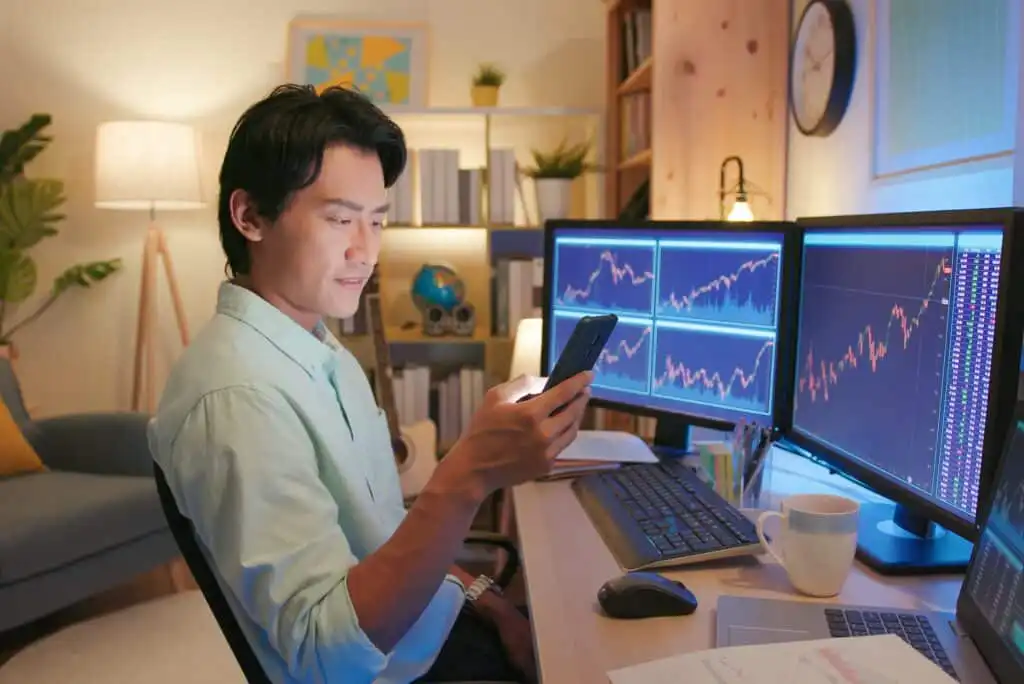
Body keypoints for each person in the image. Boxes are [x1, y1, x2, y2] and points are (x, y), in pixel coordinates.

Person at [147, 83, 594, 684]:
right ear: (250, 215)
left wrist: (486, 598)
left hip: (433, 624)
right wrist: (468, 478)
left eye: (377, 222)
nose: (366, 252)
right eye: (339, 220)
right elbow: (327, 653)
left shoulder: (315, 346)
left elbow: (382, 537)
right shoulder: (237, 399)